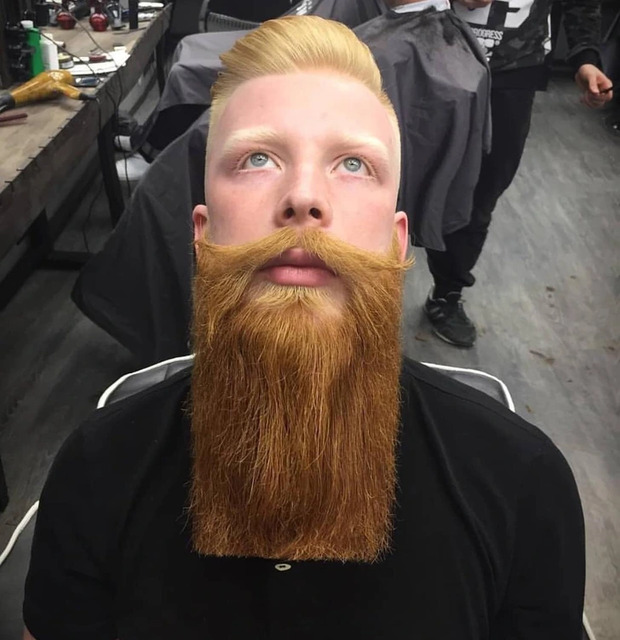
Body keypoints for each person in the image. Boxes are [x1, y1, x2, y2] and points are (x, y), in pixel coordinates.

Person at [24, 16, 585, 640]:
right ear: (202, 235)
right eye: (258, 158)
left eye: (353, 164)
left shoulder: (521, 484)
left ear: (396, 242)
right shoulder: (98, 471)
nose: (303, 197)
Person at [424, 0, 614, 347]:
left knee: (480, 193)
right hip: (426, 50)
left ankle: (447, 293)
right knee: (394, 173)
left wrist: (585, 56)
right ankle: (360, 282)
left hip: (515, 67)